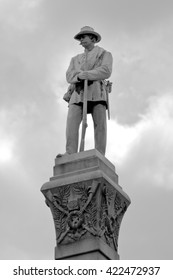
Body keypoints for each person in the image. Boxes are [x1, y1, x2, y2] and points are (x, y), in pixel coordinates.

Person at [60, 26, 113, 156]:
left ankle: (100, 153)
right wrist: (78, 76)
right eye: (80, 38)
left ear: (93, 38)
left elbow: (106, 71)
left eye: (84, 37)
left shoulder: (104, 54)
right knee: (71, 123)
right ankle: (70, 152)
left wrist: (87, 74)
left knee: (99, 125)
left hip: (97, 91)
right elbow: (69, 76)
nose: (81, 40)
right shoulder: (75, 59)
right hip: (77, 92)